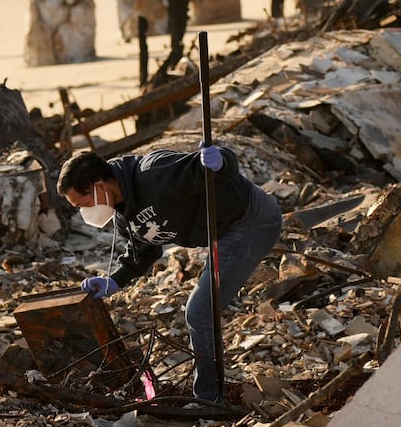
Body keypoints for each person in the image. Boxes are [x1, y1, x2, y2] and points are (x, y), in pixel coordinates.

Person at [59, 142, 282, 403]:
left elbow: (220, 168)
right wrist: (115, 281)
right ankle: (211, 393)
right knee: (201, 310)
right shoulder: (123, 217)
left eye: (81, 204)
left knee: (200, 312)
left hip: (251, 220)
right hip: (222, 233)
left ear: (99, 186)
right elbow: (145, 252)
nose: (84, 212)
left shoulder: (154, 174)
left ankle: (209, 400)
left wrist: (221, 160)